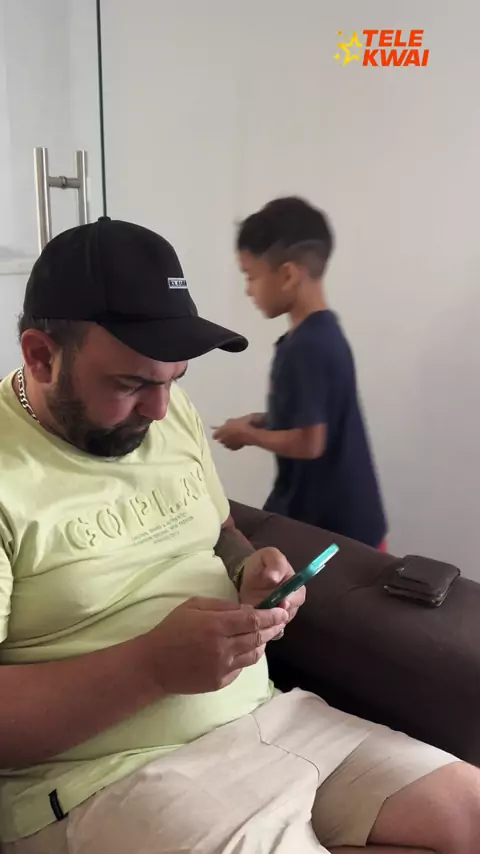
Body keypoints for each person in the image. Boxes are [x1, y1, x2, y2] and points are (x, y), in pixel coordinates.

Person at [0, 217, 477, 854]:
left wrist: (248, 565)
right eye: (131, 384)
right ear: (40, 356)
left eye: (174, 379)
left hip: (271, 719)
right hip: (103, 779)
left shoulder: (167, 413)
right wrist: (151, 667)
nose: (160, 411)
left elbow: (220, 526)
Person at [214, 197, 387, 549]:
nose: (247, 290)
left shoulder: (306, 346)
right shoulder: (323, 332)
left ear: (289, 275)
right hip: (346, 518)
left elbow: (310, 442)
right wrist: (263, 420)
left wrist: (247, 434)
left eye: (251, 276)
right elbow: (319, 415)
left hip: (336, 530)